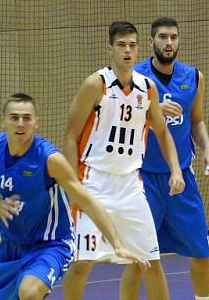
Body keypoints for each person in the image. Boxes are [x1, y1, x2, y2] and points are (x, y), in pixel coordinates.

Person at [0, 93, 148, 300]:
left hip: (51, 244)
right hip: (11, 245)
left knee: (30, 292)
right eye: (14, 118)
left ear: (36, 123)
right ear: (3, 121)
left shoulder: (49, 159)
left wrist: (118, 245)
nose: (20, 123)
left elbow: (87, 201)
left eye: (26, 118)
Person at [62, 21, 185, 300]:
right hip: (94, 183)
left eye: (132, 45)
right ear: (110, 49)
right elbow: (70, 136)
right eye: (121, 45)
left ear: (138, 48)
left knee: (150, 262)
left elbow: (163, 132)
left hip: (131, 185)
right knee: (82, 263)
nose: (127, 51)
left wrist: (175, 170)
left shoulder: (147, 88)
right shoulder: (96, 84)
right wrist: (73, 187)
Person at [121, 17, 209, 300]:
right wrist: (153, 110)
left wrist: (208, 149)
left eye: (173, 37)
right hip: (144, 179)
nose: (169, 42)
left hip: (182, 179)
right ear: (151, 42)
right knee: (139, 260)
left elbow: (196, 121)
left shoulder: (194, 77)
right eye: (162, 37)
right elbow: (121, 122)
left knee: (201, 252)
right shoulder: (135, 79)